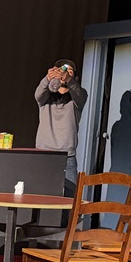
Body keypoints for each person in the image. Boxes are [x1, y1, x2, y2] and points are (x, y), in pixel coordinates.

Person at [34, 58, 88, 196]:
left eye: (70, 72)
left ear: (75, 77)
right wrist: (47, 78)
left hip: (67, 156)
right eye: (62, 71)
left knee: (68, 199)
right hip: (44, 153)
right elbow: (38, 95)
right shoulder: (47, 97)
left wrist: (68, 79)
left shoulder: (77, 97)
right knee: (40, 195)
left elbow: (80, 95)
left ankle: (67, 219)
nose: (65, 74)